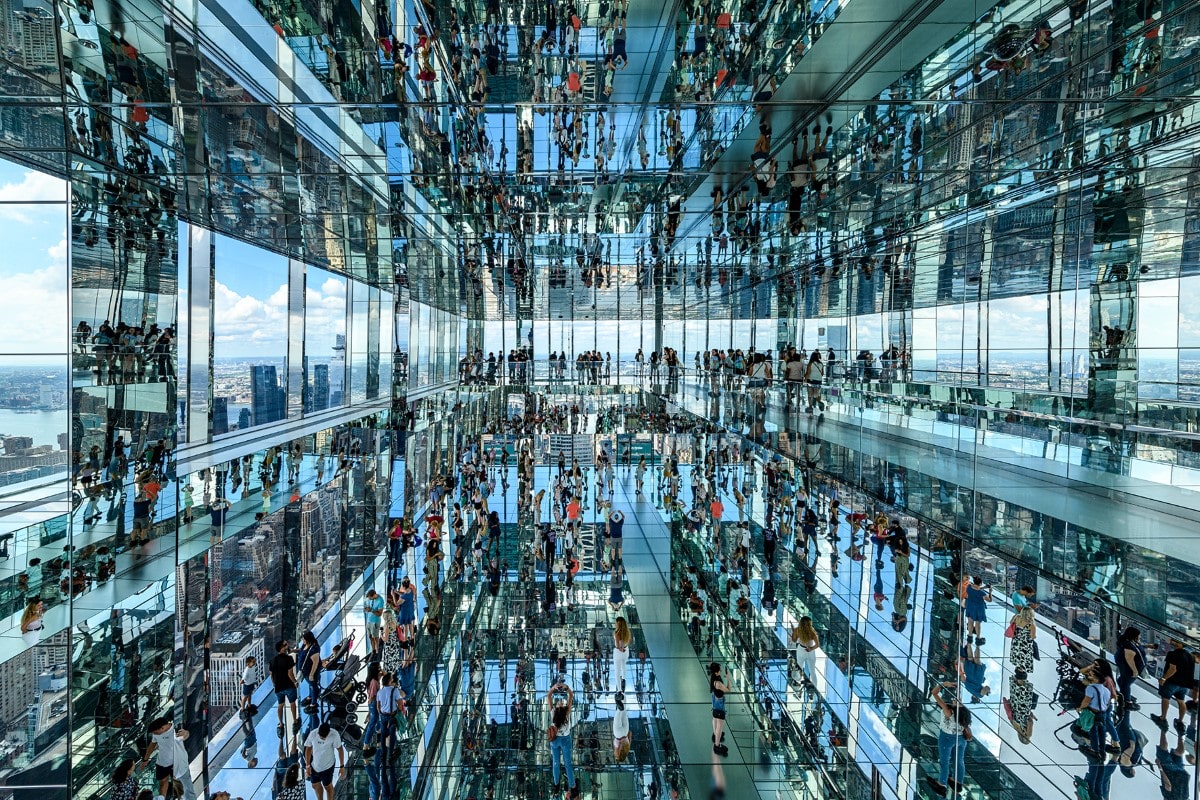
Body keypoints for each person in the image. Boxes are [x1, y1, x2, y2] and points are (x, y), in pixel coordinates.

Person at [927, 681, 972, 796]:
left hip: (947, 738)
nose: (954, 700)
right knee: (959, 760)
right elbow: (958, 699)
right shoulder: (964, 714)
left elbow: (934, 693)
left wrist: (943, 684)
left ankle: (942, 784)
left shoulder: (948, 711)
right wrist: (956, 688)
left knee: (945, 761)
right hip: (961, 739)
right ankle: (957, 782)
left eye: (956, 701)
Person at [139, 717, 195, 800]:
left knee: (183, 788)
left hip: (178, 765)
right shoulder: (157, 733)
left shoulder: (175, 730)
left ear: (162, 728)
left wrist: (186, 733)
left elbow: (185, 734)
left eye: (156, 732)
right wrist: (145, 759)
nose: (155, 734)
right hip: (162, 762)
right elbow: (152, 744)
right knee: (163, 782)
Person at [1152, 638, 1194, 733]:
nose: (1173, 642)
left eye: (1176, 641)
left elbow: (1172, 669)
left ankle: (1163, 718)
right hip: (1184, 684)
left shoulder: (1172, 654)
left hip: (1172, 682)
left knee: (1165, 698)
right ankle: (1180, 721)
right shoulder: (1190, 656)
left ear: (1181, 644)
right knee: (1181, 701)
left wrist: (1163, 678)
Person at [546, 681, 577, 794]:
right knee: (567, 763)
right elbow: (571, 695)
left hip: (555, 740)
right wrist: (566, 687)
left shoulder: (554, 712)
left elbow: (549, 696)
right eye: (560, 701)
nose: (560, 701)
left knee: (556, 762)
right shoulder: (566, 712)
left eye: (560, 701)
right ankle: (572, 786)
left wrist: (553, 688)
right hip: (565, 739)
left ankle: (556, 784)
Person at [304, 721, 346, 800]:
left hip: (328, 766)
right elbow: (308, 748)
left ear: (328, 733)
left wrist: (342, 766)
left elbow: (340, 749)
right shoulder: (313, 734)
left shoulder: (334, 735)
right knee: (315, 785)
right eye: (321, 736)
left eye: (324, 737)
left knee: (327, 786)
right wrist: (307, 765)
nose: (322, 738)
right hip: (315, 765)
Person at [1078, 669, 1115, 757]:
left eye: (1090, 675)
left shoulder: (1090, 688)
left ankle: (1094, 750)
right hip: (1102, 713)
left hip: (1093, 713)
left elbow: (1086, 701)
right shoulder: (1106, 690)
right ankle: (1102, 751)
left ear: (1096, 679)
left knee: (1093, 732)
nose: (1088, 675)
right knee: (1101, 733)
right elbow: (1108, 703)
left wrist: (1080, 708)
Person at [270, 639, 299, 731]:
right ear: (282, 648)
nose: (287, 646)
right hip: (289, 685)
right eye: (285, 645)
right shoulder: (288, 658)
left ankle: (281, 724)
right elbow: (290, 673)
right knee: (292, 703)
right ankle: (295, 721)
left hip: (278, 686)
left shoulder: (273, 660)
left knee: (280, 705)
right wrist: (295, 682)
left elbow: (271, 675)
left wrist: (274, 684)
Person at [1116, 626, 1146, 711]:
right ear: (1134, 636)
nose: (1140, 637)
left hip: (1125, 668)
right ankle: (1127, 702)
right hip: (1128, 669)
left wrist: (1148, 646)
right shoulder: (1128, 645)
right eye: (1139, 635)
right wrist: (1135, 670)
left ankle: (1125, 695)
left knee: (1121, 681)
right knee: (1126, 684)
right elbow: (1130, 659)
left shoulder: (1129, 642)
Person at [962, 576, 991, 645]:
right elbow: (989, 600)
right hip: (979, 608)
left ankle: (970, 636)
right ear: (980, 583)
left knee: (970, 621)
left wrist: (984, 587)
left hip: (970, 606)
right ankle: (978, 638)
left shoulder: (969, 587)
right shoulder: (982, 593)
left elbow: (975, 589)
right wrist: (990, 592)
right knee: (978, 623)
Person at [297, 630, 322, 706]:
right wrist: (293, 650)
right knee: (310, 684)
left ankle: (313, 703)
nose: (302, 640)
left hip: (311, 671)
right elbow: (302, 651)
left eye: (304, 639)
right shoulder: (305, 645)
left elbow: (315, 663)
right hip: (305, 671)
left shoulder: (314, 648)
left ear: (308, 639)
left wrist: (311, 674)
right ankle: (310, 697)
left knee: (313, 686)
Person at [790, 616, 820, 681]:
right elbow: (817, 645)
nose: (807, 625)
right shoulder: (809, 631)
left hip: (805, 650)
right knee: (810, 670)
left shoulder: (801, 630)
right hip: (806, 650)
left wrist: (794, 631)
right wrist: (793, 631)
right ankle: (799, 680)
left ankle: (799, 680)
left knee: (809, 670)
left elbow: (817, 644)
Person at [1008, 606, 1036, 675]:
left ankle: (1017, 664)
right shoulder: (1031, 624)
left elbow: (1010, 623)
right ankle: (1022, 668)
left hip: (1016, 640)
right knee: (1024, 655)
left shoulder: (1016, 617)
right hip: (1025, 643)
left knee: (1016, 652)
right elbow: (1033, 636)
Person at [710, 662, 729, 755]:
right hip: (719, 703)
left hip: (714, 699)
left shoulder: (713, 678)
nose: (721, 671)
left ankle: (715, 735)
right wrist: (728, 677)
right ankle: (717, 745)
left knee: (715, 720)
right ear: (716, 672)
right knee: (720, 725)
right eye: (720, 670)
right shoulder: (718, 683)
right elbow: (728, 689)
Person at [612, 616, 632, 692]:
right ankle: (623, 679)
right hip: (626, 651)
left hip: (618, 652)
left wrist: (621, 649)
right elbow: (628, 641)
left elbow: (617, 645)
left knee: (617, 671)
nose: (615, 624)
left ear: (618, 624)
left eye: (616, 623)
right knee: (623, 666)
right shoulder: (627, 632)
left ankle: (619, 690)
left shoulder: (617, 633)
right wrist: (623, 648)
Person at [363, 588, 384, 654]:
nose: (370, 599)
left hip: (375, 621)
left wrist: (371, 610)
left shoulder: (380, 600)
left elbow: (379, 614)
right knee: (370, 637)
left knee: (375, 637)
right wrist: (366, 609)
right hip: (369, 621)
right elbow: (369, 607)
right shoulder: (370, 599)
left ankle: (377, 652)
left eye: (370, 598)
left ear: (374, 595)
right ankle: (373, 650)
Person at [612, 691, 631, 763]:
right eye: (616, 756)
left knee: (624, 711)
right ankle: (619, 703)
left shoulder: (627, 749)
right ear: (619, 755)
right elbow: (617, 744)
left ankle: (622, 695)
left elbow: (629, 736)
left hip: (625, 732)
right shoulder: (618, 750)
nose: (615, 755)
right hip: (618, 735)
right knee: (618, 713)